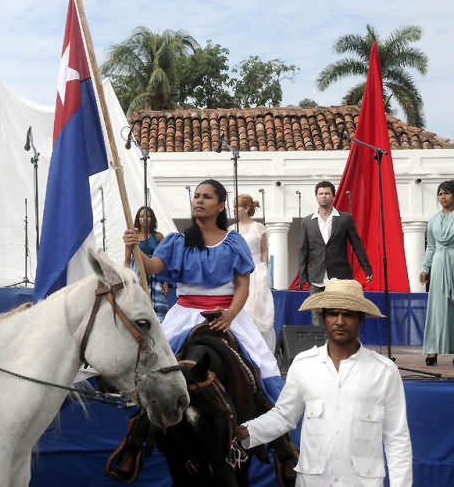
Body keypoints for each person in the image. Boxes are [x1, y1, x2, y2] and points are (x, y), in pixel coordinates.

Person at [236, 278, 412, 486]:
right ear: (323, 317)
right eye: (332, 314)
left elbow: (396, 439)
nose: (339, 321)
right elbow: (284, 416)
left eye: (347, 314)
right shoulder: (304, 365)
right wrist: (246, 431)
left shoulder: (383, 371)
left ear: (361, 318)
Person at [124, 179, 282, 398]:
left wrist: (229, 317)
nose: (199, 200)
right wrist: (134, 247)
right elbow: (150, 267)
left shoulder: (233, 241)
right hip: (183, 315)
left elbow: (243, 287)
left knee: (264, 366)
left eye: (207, 197)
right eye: (197, 196)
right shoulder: (176, 241)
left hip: (227, 316)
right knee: (150, 365)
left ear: (220, 206)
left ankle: (269, 422)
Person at [298, 180, 373, 326]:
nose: (324, 196)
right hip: (316, 276)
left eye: (327, 193)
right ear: (316, 197)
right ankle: (321, 347)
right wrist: (302, 277)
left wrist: (367, 268)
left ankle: (340, 346)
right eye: (321, 194)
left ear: (333, 196)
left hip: (340, 276)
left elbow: (357, 245)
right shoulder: (307, 221)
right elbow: (303, 250)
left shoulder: (345, 219)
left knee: (340, 314)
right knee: (317, 316)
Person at [420, 180, 454, 366]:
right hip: (440, 266)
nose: (443, 196)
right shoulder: (433, 220)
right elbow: (431, 247)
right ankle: (432, 349)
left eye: (447, 193)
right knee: (437, 309)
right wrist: (426, 268)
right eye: (440, 193)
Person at [236, 194, 276, 351]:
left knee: (258, 308)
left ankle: (261, 349)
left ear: (246, 208)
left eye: (236, 207)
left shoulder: (259, 227)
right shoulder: (232, 229)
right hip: (239, 271)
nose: (233, 210)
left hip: (257, 271)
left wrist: (264, 268)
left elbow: (264, 250)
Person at [125, 206, 169, 321]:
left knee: (157, 305)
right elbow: (127, 259)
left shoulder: (158, 236)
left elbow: (164, 259)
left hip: (155, 274)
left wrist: (166, 281)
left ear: (152, 219)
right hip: (137, 272)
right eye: (141, 216)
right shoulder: (133, 235)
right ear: (138, 219)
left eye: (148, 216)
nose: (144, 218)